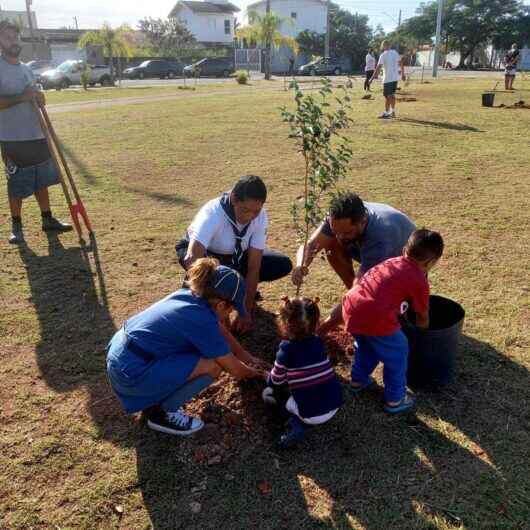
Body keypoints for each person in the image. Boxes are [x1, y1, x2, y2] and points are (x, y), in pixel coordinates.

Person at [106, 258, 267, 436]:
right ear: (221, 304)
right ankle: (163, 413)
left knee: (199, 352)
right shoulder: (201, 320)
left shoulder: (190, 295)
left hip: (122, 355)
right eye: (232, 309)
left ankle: (156, 397)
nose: (231, 313)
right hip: (131, 373)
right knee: (213, 366)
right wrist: (258, 373)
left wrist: (246, 356)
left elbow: (221, 331)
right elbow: (234, 369)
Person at [319, 229, 444, 414]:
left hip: (352, 308)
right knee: (398, 354)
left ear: (404, 250)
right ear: (431, 262)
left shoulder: (392, 261)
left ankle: (358, 380)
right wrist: (422, 334)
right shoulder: (419, 279)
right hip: (374, 317)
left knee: (367, 346)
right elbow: (423, 315)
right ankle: (395, 399)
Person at [176, 175, 293, 332]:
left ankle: (237, 289)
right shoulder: (213, 213)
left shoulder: (260, 216)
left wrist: (245, 311)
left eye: (256, 211)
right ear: (234, 198)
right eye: (245, 210)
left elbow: (253, 267)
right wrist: (220, 311)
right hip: (202, 256)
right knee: (199, 300)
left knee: (281, 264)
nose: (250, 216)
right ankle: (217, 295)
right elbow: (192, 258)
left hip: (233, 256)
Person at [0, 20, 71, 244]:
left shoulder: (26, 68)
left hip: (37, 133)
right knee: (17, 182)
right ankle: (17, 226)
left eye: (15, 37)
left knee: (42, 178)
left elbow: (37, 97)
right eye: (7, 38)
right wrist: (22, 97)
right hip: (12, 137)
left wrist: (40, 99)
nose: (13, 42)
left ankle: (47, 219)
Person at [292, 192, 416, 292]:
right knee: (331, 243)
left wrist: (327, 323)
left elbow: (364, 285)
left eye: (346, 232)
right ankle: (352, 291)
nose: (340, 237)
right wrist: (300, 265)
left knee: (375, 296)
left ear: (362, 221)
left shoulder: (380, 235)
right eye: (335, 231)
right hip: (374, 249)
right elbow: (311, 245)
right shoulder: (337, 219)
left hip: (405, 265)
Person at [262, 296, 342, 448]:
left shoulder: (285, 351)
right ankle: (304, 416)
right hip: (334, 404)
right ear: (316, 323)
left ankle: (295, 424)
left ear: (284, 324)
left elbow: (275, 382)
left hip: (311, 414)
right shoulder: (319, 343)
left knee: (268, 394)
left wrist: (267, 375)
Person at [370, 40, 406, 119]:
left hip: (387, 79)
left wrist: (372, 78)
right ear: (390, 45)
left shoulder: (383, 55)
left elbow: (378, 67)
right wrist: (403, 74)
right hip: (395, 78)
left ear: (383, 46)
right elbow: (401, 63)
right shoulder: (395, 53)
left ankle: (386, 113)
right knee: (392, 95)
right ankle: (392, 112)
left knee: (388, 96)